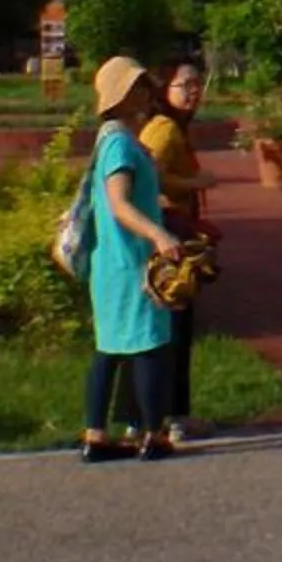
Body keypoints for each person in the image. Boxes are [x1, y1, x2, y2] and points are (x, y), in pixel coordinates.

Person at [81, 56, 183, 462]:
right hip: (130, 263)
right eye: (137, 86)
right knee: (148, 345)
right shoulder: (120, 144)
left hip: (110, 263)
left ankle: (95, 435)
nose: (145, 93)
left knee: (108, 350)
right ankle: (152, 434)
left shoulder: (112, 140)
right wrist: (159, 234)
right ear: (120, 95)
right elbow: (119, 203)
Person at [135, 54, 212, 442]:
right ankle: (170, 416)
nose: (193, 92)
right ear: (165, 89)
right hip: (169, 240)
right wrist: (195, 183)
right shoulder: (164, 129)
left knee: (175, 328)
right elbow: (152, 176)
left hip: (173, 234)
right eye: (185, 85)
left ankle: (169, 414)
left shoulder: (172, 126)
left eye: (198, 84)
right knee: (174, 328)